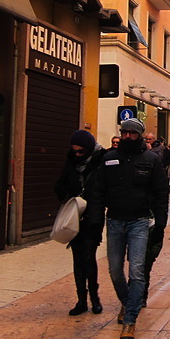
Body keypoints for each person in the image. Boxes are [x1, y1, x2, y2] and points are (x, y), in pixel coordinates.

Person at [88, 118, 168, 339]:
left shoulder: (151, 160)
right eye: (124, 133)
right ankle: (127, 302)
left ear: (140, 135)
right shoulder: (109, 159)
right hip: (114, 221)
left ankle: (130, 320)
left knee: (137, 271)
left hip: (139, 222)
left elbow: (161, 194)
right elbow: (98, 190)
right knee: (114, 270)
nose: (127, 137)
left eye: (132, 133)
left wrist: (160, 223)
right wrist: (96, 217)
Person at [53, 130, 107, 316]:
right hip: (75, 216)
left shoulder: (102, 159)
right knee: (77, 258)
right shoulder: (71, 161)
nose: (77, 154)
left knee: (89, 256)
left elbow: (107, 186)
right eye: (74, 151)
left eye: (80, 151)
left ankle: (95, 298)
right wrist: (69, 198)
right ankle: (81, 300)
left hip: (93, 215)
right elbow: (60, 184)